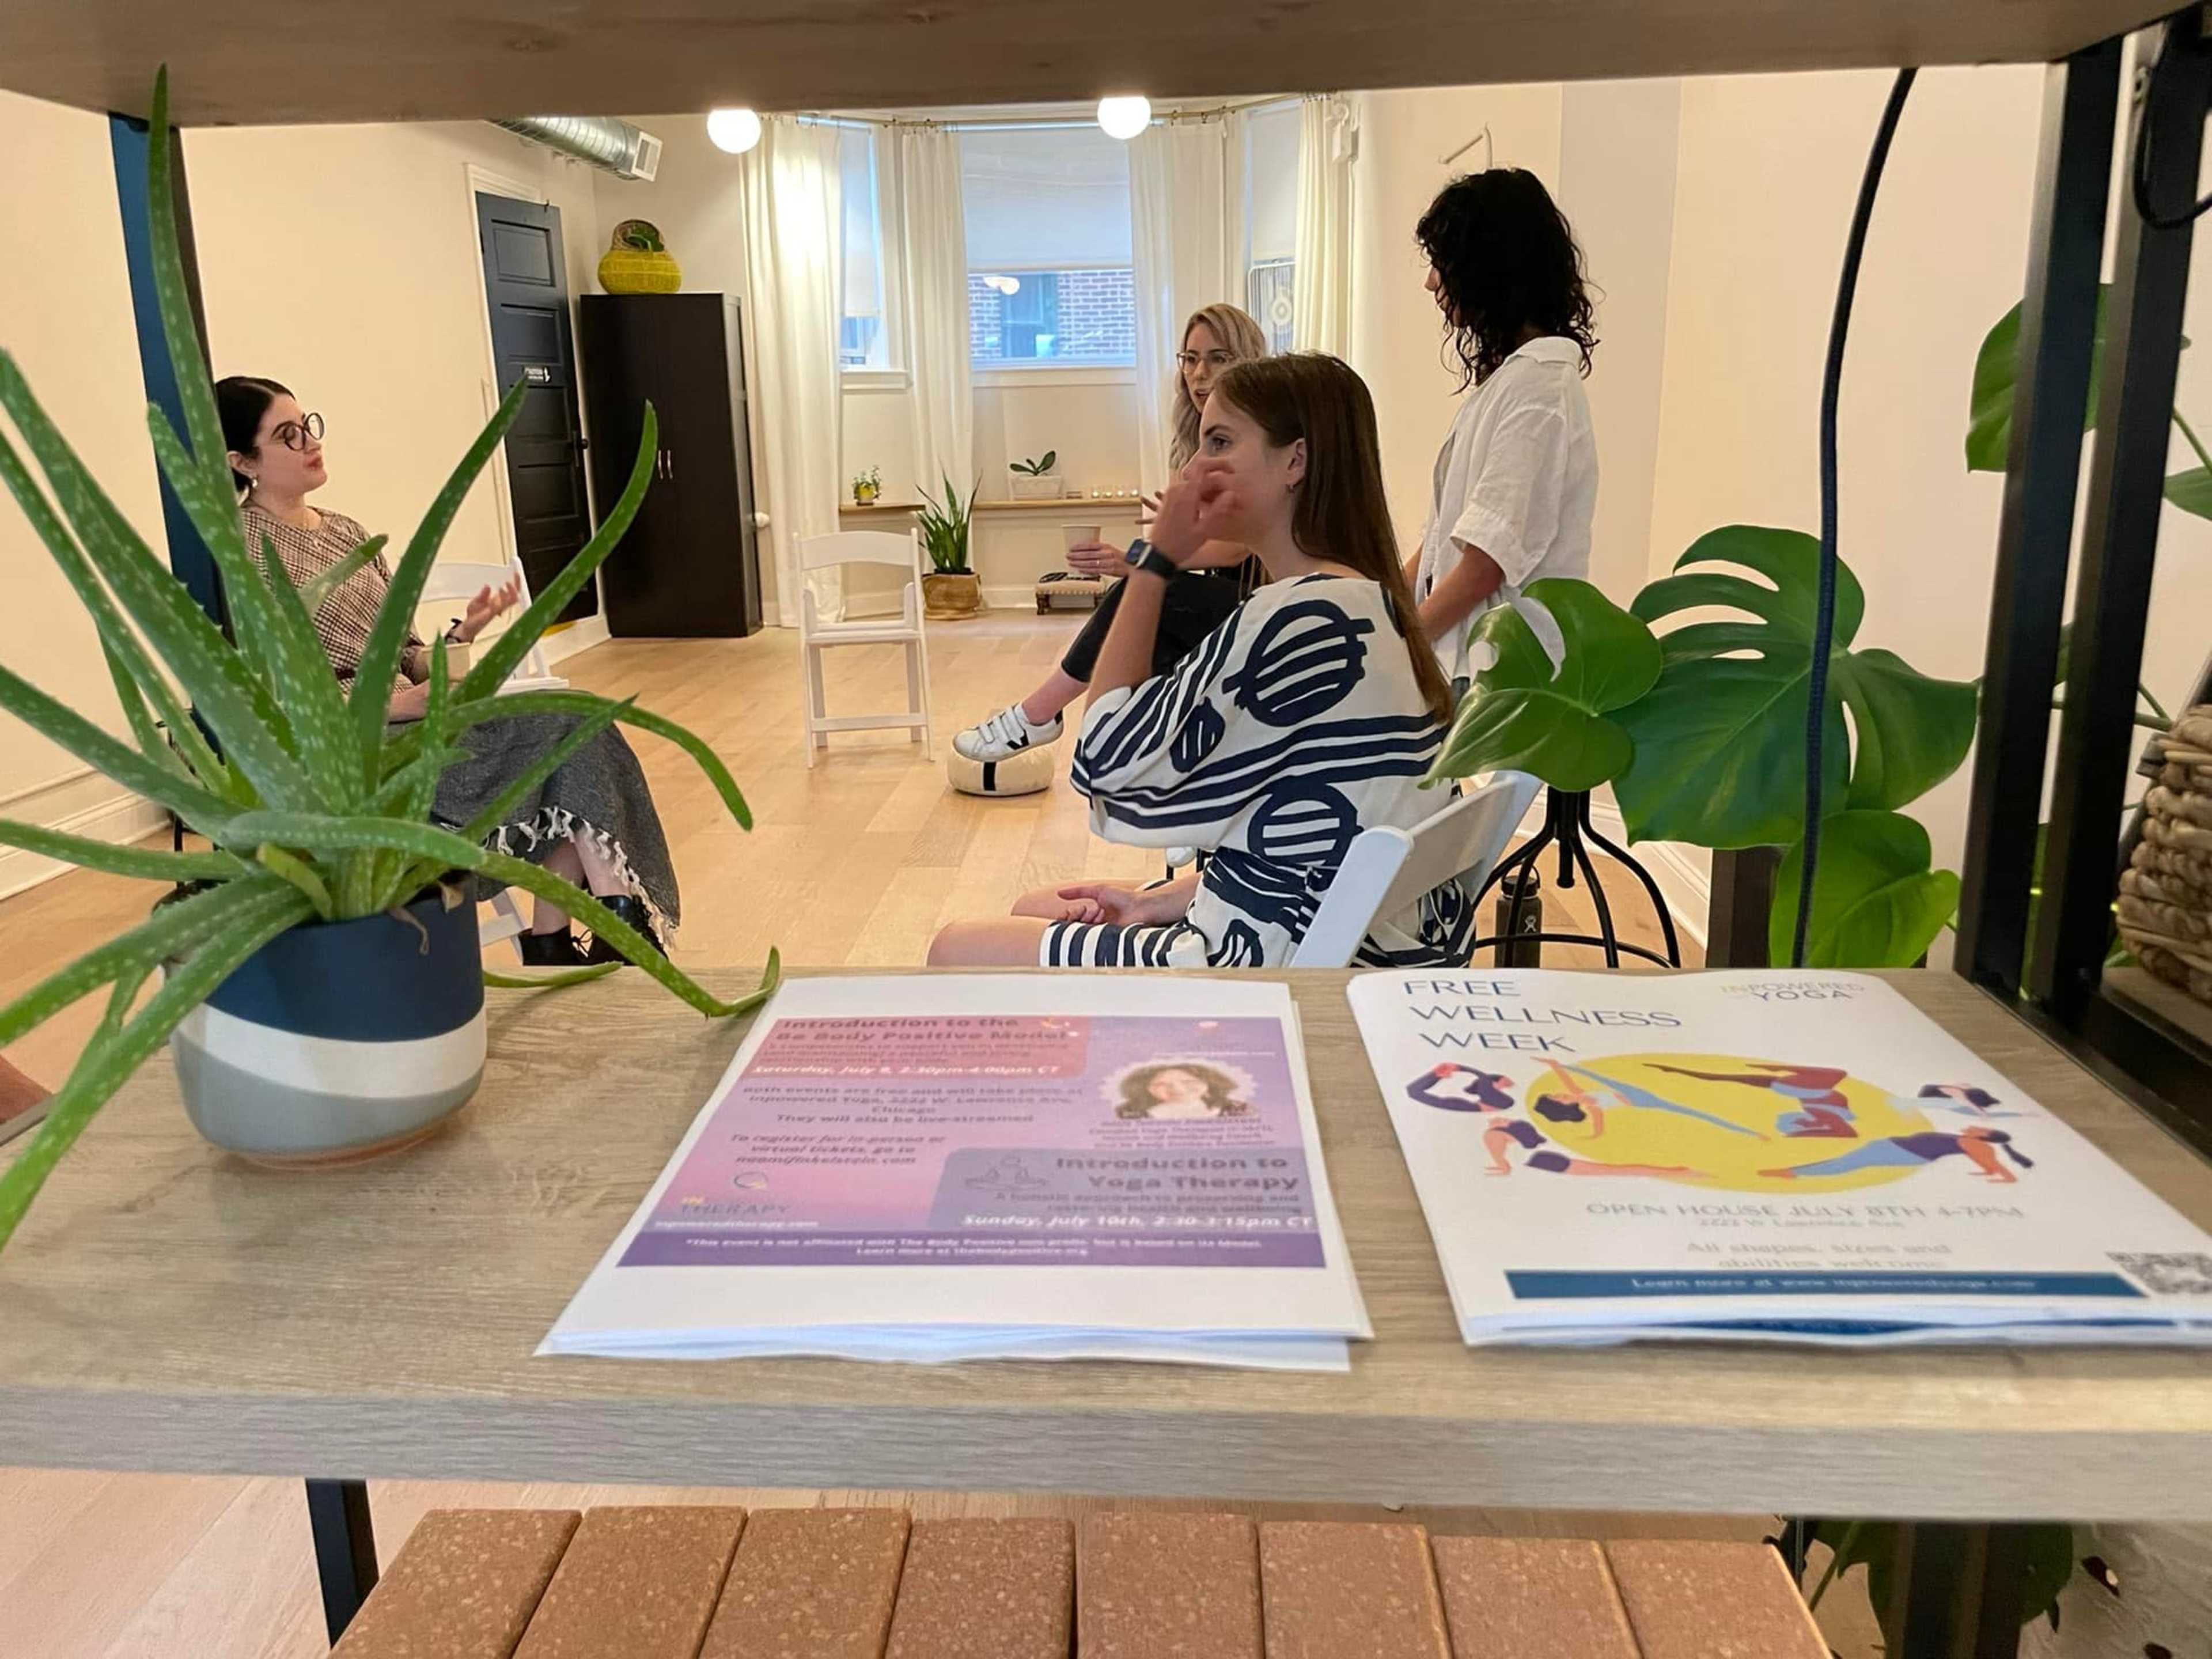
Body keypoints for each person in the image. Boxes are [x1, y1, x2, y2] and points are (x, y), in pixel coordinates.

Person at [927, 353, 1472, 970]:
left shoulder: (1294, 618)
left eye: (1219, 442)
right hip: (1349, 929)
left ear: (1295, 461)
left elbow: (1104, 760)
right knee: (1036, 903)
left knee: (956, 948)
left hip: (1268, 960)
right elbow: (1327, 837)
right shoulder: (1375, 604)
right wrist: (1164, 901)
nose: (1193, 468)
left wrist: (1156, 564)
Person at [218, 376, 678, 967]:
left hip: (420, 714)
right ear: (243, 461)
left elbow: (405, 650)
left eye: (309, 425)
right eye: (287, 435)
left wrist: (465, 632)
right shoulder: (243, 551)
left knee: (578, 725)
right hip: (357, 747)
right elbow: (281, 692)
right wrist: (405, 705)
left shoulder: (345, 531)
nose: (310, 442)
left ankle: (571, 933)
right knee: (565, 739)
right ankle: (604, 930)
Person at [952, 304, 1270, 763]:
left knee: (1154, 594)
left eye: (1219, 359)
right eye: (1190, 359)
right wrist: (1151, 558)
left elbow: (1239, 546)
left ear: (1248, 360)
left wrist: (1147, 562)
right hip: (1233, 595)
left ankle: (1039, 715)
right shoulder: (1194, 439)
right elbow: (1193, 536)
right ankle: (1149, 767)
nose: (1200, 374)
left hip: (1269, 598)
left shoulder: (1260, 435)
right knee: (1152, 613)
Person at [1408, 168, 1600, 686]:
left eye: (1441, 264)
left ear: (1487, 267)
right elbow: (1438, 547)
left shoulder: (1539, 389)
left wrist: (1400, 648)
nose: (1431, 282)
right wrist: (1380, 616)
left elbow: (1484, 565)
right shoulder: (1512, 382)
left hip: (1506, 681)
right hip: (1470, 668)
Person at [1760, 1126, 2033, 1184]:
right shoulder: (1969, 1140)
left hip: (1902, 1152)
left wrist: (1997, 1175)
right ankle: (1795, 1170)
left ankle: (1792, 1172)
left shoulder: (1975, 1144)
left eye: (1983, 1128)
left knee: (1849, 1163)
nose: (1977, 1126)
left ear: (1984, 1135)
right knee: (1849, 1161)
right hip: (1897, 1147)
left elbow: (1993, 1165)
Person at [1116, 1062, 1249, 1120]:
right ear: (1145, 1089)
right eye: (1161, 1084)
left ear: (1210, 1083)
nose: (1178, 1090)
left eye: (1189, 1082)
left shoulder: (1236, 1109)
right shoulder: (1129, 1113)